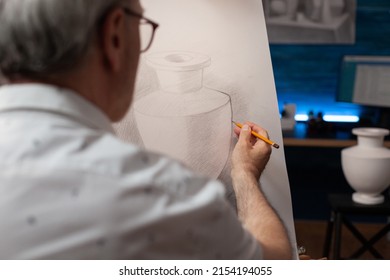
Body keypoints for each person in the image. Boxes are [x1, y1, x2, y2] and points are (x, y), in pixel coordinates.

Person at [0, 0, 292, 259]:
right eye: (141, 25)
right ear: (114, 35)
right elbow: (269, 266)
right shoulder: (160, 191)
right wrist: (245, 175)